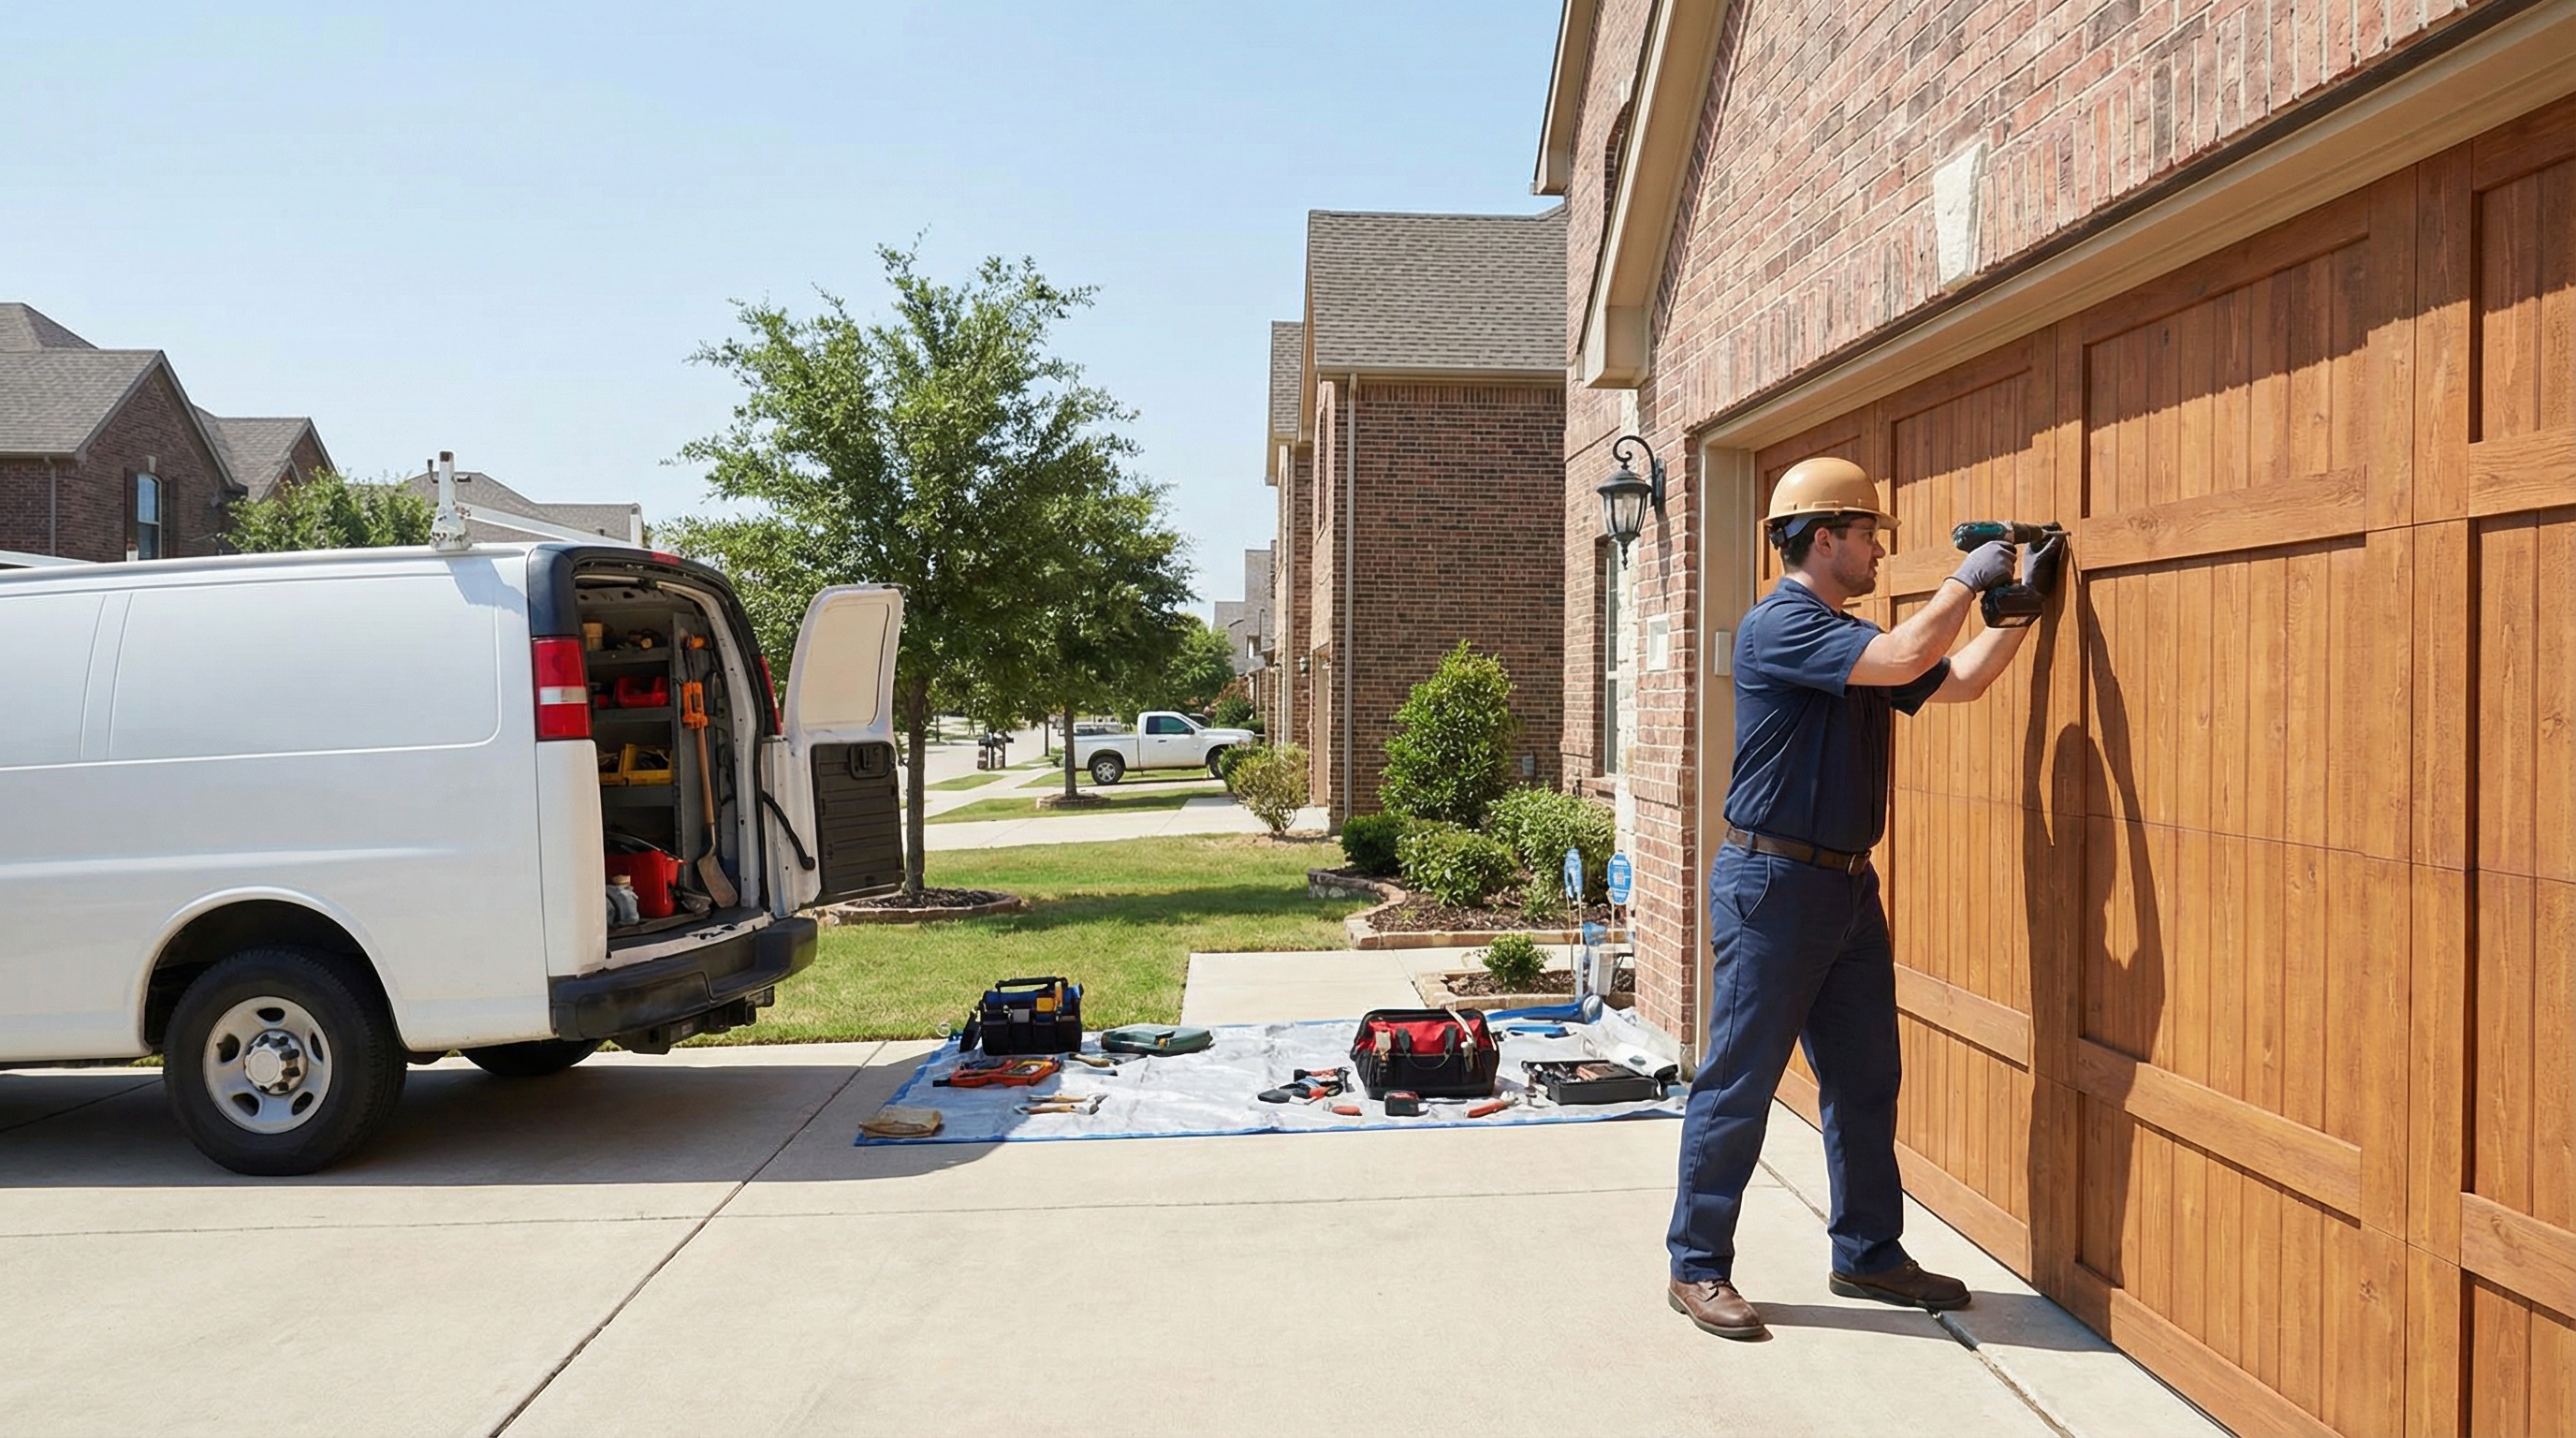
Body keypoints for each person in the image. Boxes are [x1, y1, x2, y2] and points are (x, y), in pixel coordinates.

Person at [1666, 456, 2066, 1341]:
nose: (1880, 551)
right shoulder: (1782, 625)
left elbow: (1957, 679)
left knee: (1865, 1080)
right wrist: (1967, 579)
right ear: (1823, 539)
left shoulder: (1851, 641)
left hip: (1846, 888)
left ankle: (1868, 1253)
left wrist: (2021, 611)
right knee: (1739, 1081)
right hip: (1773, 888)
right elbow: (1909, 653)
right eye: (1868, 535)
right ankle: (1695, 1264)